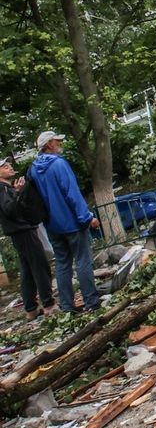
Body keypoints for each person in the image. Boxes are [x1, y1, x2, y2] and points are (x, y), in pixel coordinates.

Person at [29, 132, 101, 314]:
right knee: (83, 261)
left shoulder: (33, 170)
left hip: (52, 225)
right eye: (57, 141)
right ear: (50, 145)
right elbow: (72, 193)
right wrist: (86, 217)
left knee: (62, 264)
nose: (60, 143)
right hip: (72, 222)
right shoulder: (59, 164)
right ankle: (92, 303)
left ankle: (67, 306)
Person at [0, 155, 56, 320]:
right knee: (39, 265)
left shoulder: (6, 188)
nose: (9, 167)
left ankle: (31, 308)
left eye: (9, 164)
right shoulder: (3, 190)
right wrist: (18, 193)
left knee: (27, 270)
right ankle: (49, 305)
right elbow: (10, 210)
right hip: (22, 231)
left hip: (21, 231)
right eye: (4, 166)